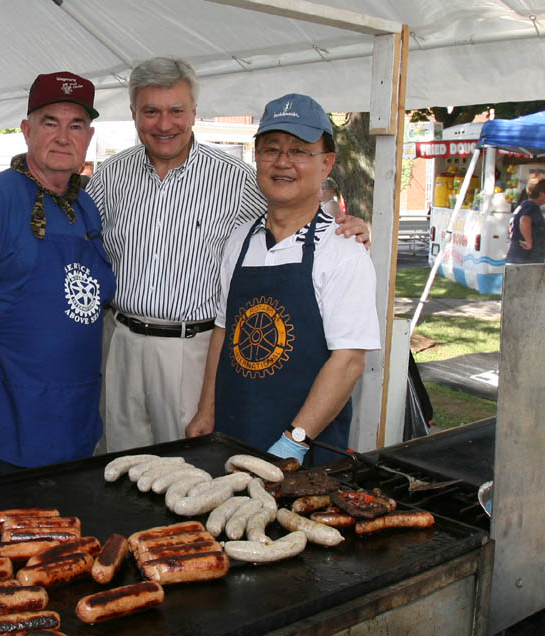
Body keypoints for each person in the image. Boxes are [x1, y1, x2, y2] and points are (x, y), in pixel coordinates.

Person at [87, 57, 368, 453]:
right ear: (134, 113)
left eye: (176, 111)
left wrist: (347, 226)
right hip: (121, 343)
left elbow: (292, 203)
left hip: (192, 352)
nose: (164, 124)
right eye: (151, 111)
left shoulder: (234, 178)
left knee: (184, 471)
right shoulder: (109, 177)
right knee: (118, 466)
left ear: (194, 113)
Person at [185, 93, 380, 467]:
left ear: (326, 164)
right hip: (232, 436)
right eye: (271, 149)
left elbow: (349, 362)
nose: (283, 162)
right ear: (256, 158)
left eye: (299, 151)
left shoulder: (342, 249)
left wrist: (294, 441)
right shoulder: (240, 240)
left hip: (304, 450)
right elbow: (224, 332)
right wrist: (206, 410)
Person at [0, 72, 114, 480]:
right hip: (8, 428)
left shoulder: (85, 206)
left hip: (75, 420)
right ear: (26, 130)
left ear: (88, 136)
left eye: (76, 126)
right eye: (50, 122)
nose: (63, 136)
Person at [506, 179, 545, 264]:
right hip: (526, 259)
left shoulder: (523, 205)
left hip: (517, 257)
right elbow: (524, 220)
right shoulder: (531, 207)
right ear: (542, 194)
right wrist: (529, 242)